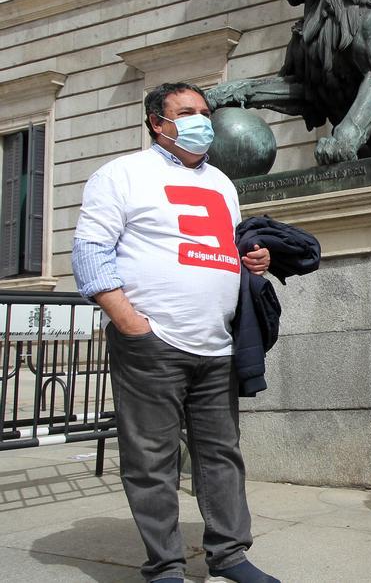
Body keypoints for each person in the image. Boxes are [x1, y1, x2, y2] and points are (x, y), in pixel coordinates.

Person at [71, 83, 278, 583]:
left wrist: (255, 260)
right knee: (151, 458)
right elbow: (90, 252)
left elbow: (220, 249)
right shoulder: (121, 174)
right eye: (186, 113)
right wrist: (130, 323)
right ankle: (164, 565)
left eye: (205, 113)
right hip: (152, 342)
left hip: (216, 342)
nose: (201, 121)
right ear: (156, 122)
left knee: (221, 455)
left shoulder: (223, 184)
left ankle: (229, 555)